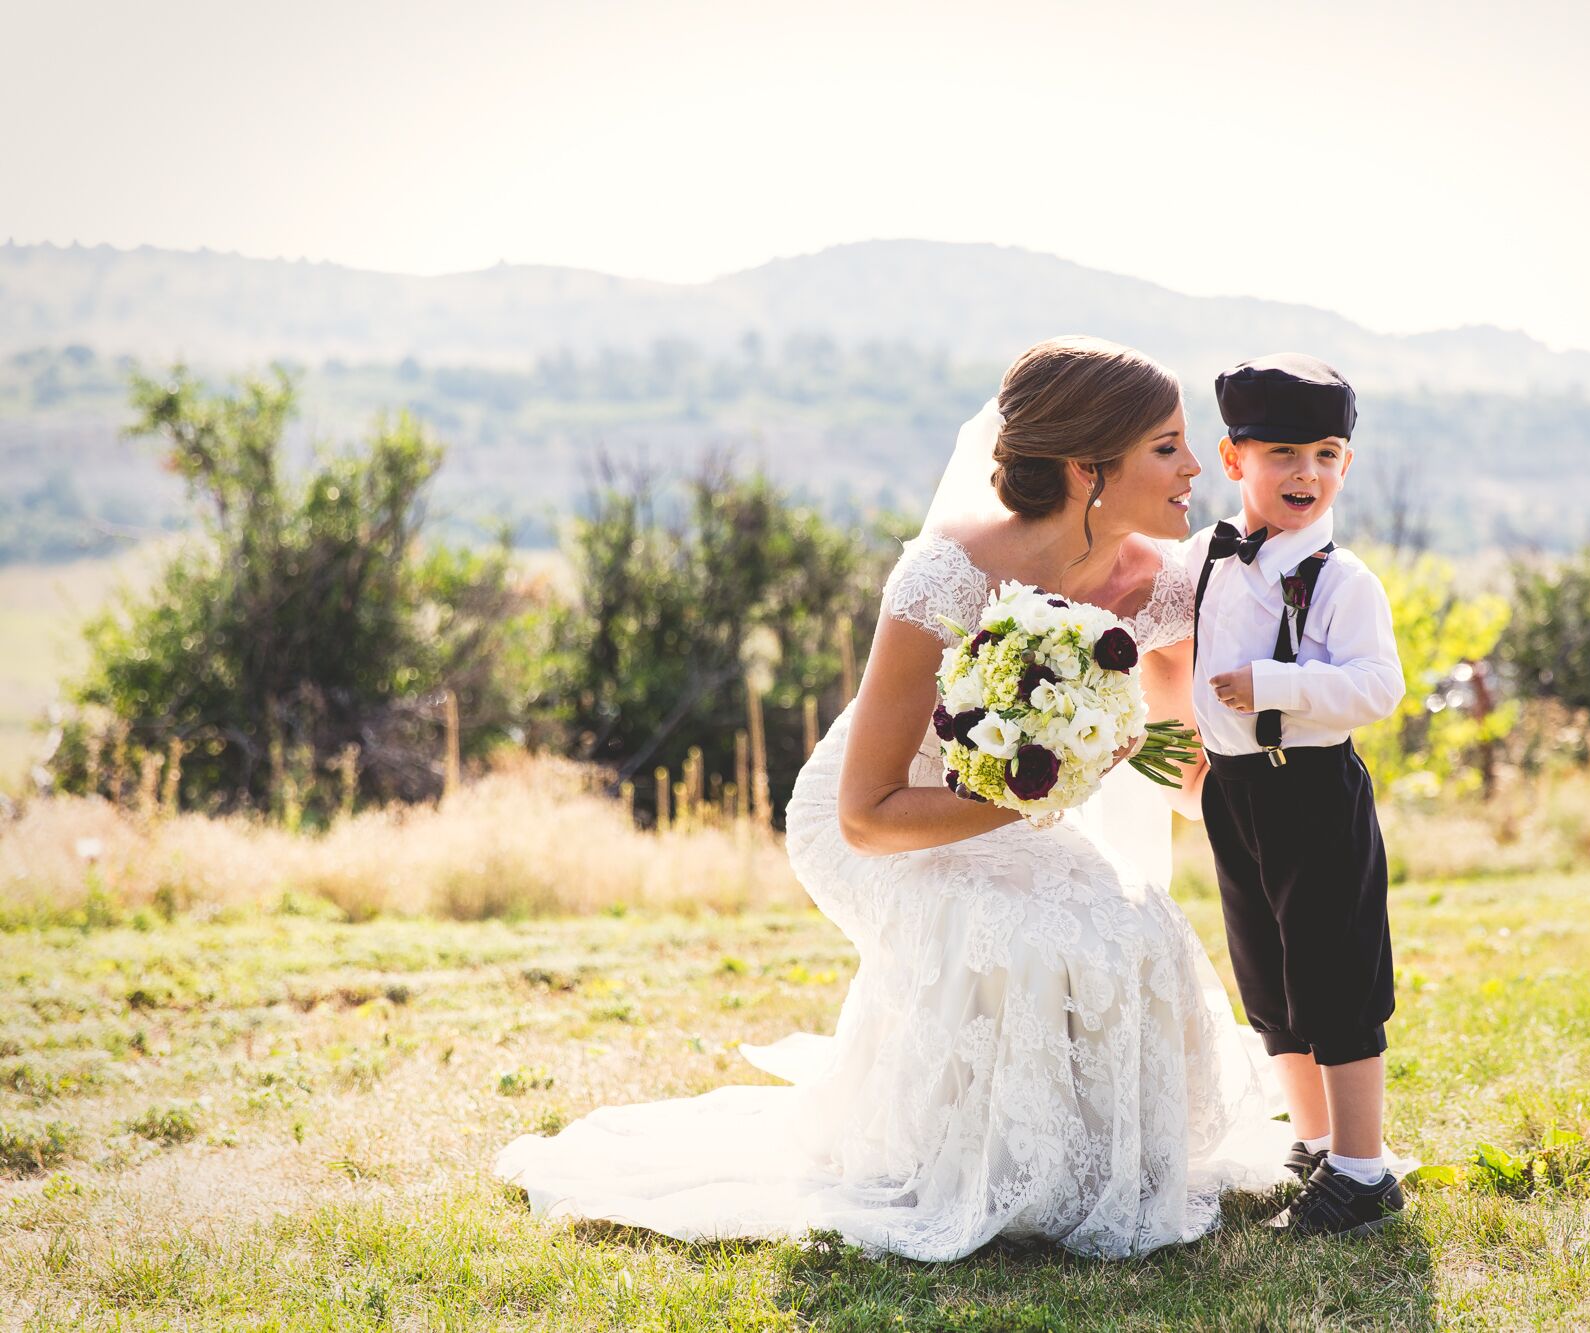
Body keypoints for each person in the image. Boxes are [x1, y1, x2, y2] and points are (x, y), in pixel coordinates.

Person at [494, 336, 1297, 1261]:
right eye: (1166, 445)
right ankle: (959, 1159)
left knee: (1136, 927)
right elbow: (866, 814)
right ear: (1086, 468)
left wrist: (1246, 792)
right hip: (880, 815)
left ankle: (1094, 1167)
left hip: (1014, 808)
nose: (1195, 466)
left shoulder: (1157, 583)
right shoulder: (946, 575)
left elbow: (1180, 737)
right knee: (1020, 941)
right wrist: (1063, 784)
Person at [1183, 353, 1409, 1238]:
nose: (1304, 473)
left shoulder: (1343, 581)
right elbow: (1159, 621)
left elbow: (1378, 688)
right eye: (1281, 453)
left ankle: (1363, 1169)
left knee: (1335, 974)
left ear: (1345, 464)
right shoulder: (1208, 555)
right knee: (1270, 977)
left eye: (1323, 453)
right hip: (1235, 791)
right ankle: (1313, 1144)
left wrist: (1275, 684)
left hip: (1311, 790)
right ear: (1234, 460)